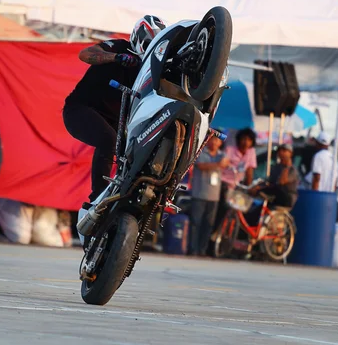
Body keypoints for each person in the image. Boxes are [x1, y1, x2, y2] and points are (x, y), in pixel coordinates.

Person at [63, 15, 166, 208]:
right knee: (108, 140)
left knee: (137, 152)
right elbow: (85, 54)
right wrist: (116, 58)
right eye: (147, 42)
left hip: (115, 123)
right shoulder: (120, 47)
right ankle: (97, 197)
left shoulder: (150, 69)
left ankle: (127, 199)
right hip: (80, 110)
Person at [189, 136, 229, 256]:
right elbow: (201, 166)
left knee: (208, 225)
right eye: (213, 139)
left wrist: (220, 163)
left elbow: (226, 163)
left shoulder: (222, 154)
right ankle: (193, 250)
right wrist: (218, 164)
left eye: (218, 140)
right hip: (199, 194)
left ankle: (202, 250)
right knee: (196, 223)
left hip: (214, 196)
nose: (215, 142)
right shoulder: (201, 152)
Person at [251, 144, 299, 210]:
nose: (281, 152)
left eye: (284, 150)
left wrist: (287, 165)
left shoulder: (292, 170)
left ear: (290, 153)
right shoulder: (276, 167)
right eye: (279, 150)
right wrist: (258, 186)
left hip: (286, 198)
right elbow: (269, 181)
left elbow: (282, 181)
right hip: (275, 197)